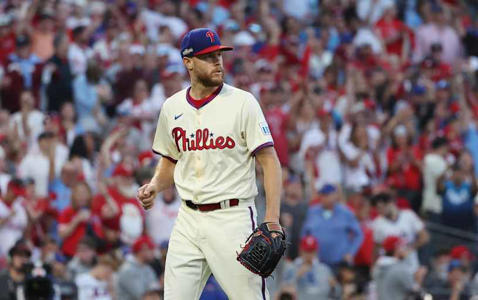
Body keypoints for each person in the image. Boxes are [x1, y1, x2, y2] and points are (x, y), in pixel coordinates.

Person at [137, 28, 283, 299]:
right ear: (188, 63)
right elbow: (170, 159)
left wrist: (271, 218)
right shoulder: (172, 107)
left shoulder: (243, 102)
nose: (218, 62)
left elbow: (269, 161)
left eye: (219, 55)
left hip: (233, 217)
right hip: (188, 219)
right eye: (208, 57)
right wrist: (155, 185)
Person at [301, 184, 364, 268]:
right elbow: (304, 234)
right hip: (317, 263)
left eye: (327, 195)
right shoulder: (313, 211)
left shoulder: (345, 212)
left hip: (339, 262)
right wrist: (306, 254)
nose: (324, 198)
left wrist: (350, 253)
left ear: (335, 195)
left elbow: (358, 235)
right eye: (322, 195)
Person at [371, 190, 429, 271]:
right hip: (390, 264)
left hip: (410, 263)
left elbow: (424, 237)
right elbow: (377, 247)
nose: (380, 211)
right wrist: (373, 266)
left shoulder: (409, 215)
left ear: (390, 203)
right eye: (377, 208)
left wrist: (409, 249)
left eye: (382, 207)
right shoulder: (377, 223)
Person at [0, 178, 29, 270]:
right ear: (8, 190)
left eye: (19, 195)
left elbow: (24, 226)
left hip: (15, 254)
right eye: (15, 194)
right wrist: (7, 217)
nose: (16, 197)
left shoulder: (18, 205)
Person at [282, 236, 338, 300]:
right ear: (301, 250)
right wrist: (297, 275)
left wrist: (333, 287)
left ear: (316, 251)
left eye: (311, 251)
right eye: (306, 251)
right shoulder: (292, 267)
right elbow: (283, 290)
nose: (309, 254)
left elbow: (335, 292)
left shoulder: (324, 269)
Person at [372, 236, 428, 300]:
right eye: (402, 247)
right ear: (397, 249)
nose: (405, 249)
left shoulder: (377, 266)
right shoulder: (400, 268)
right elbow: (415, 292)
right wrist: (419, 277)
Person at [116, 236, 159, 300]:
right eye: (151, 249)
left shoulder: (148, 268)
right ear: (142, 250)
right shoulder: (127, 270)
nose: (153, 252)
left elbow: (155, 291)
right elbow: (142, 296)